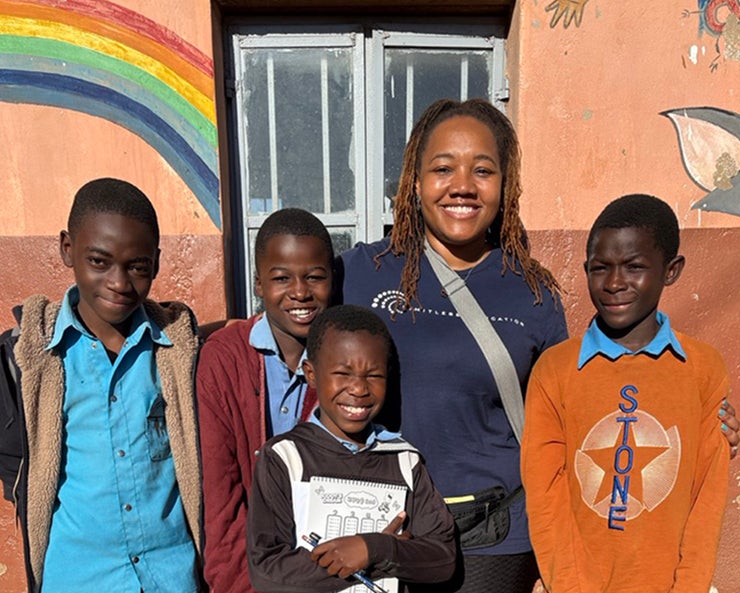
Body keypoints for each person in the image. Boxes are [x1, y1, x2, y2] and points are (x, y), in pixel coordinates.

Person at [337, 98, 740, 593]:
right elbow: (292, 339)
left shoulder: (532, 292)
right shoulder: (359, 272)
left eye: (483, 170)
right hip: (382, 523)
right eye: (443, 168)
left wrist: (701, 429)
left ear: (505, 185)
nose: (462, 185)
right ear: (414, 180)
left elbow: (581, 408)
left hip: (495, 538)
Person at [0, 178, 204, 592]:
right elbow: (15, 467)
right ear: (67, 249)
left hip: (172, 576)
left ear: (157, 263)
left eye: (137, 266)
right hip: (76, 577)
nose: (119, 282)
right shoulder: (28, 357)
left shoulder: (179, 353)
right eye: (99, 262)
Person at [521, 194, 730, 592]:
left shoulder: (703, 369)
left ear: (671, 271)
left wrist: (689, 587)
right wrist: (567, 585)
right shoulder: (555, 369)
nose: (615, 283)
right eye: (601, 269)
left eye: (635, 267)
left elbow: (708, 495)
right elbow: (546, 493)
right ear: (586, 270)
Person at [246, 304, 457, 592]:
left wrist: (376, 549)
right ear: (311, 374)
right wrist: (366, 560)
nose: (358, 389)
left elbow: (442, 559)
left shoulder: (403, 460)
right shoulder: (284, 458)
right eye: (343, 374)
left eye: (373, 375)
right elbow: (268, 572)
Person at [196, 208, 334, 593]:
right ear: (258, 283)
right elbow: (221, 500)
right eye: (281, 278)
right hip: (247, 575)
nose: (300, 292)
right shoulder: (224, 358)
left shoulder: (344, 361)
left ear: (332, 280)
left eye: (315, 277)